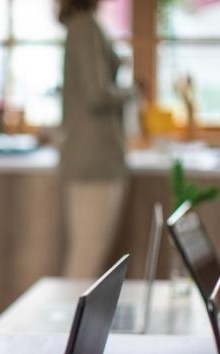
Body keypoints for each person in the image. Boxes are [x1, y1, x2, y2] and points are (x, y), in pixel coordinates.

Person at [58, 0, 137, 278]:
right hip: (94, 161)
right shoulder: (85, 27)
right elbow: (97, 94)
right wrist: (133, 91)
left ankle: (77, 321)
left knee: (89, 258)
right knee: (86, 259)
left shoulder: (84, 25)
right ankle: (72, 322)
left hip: (93, 159)